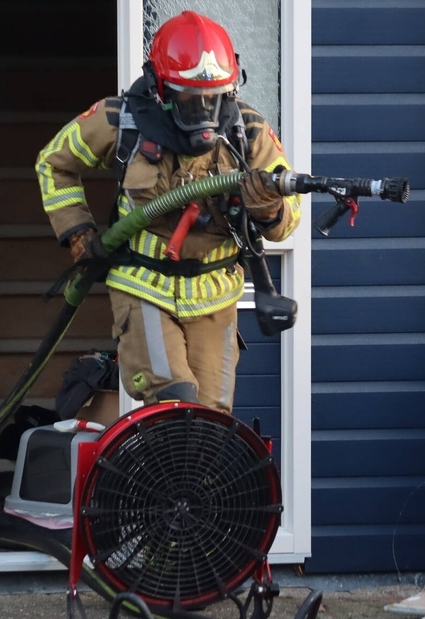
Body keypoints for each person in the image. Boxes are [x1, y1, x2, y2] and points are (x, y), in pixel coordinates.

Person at [35, 11, 300, 414]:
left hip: (215, 294)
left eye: (213, 99)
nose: (204, 115)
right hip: (144, 288)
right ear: (161, 88)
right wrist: (78, 233)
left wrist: (268, 207)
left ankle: (193, 479)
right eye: (191, 101)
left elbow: (287, 216)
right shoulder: (121, 120)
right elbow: (54, 163)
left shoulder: (249, 133)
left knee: (213, 421)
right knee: (176, 404)